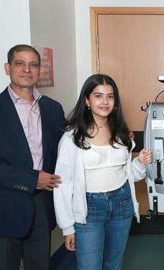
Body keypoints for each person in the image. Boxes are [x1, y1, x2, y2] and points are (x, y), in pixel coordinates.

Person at [0, 44, 65, 270]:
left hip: (42, 206)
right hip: (3, 207)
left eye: (33, 65)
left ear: (40, 71)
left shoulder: (53, 109)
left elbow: (67, 147)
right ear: (7, 68)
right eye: (20, 63)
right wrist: (31, 178)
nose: (27, 69)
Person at [53, 74, 152, 270]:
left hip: (122, 203)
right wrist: (67, 227)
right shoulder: (71, 137)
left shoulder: (121, 133)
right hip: (89, 208)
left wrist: (139, 162)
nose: (105, 101)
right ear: (87, 101)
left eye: (110, 96)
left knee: (113, 265)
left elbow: (127, 175)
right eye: (98, 96)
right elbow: (62, 184)